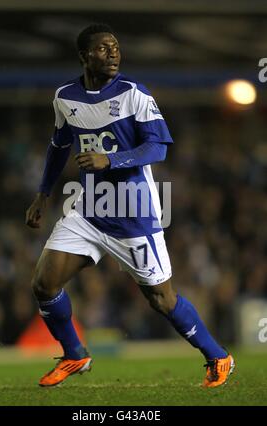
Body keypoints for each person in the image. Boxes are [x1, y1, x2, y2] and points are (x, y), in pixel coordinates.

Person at [26, 23, 235, 388]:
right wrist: (43, 194)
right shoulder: (65, 97)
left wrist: (111, 160)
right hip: (88, 210)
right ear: (84, 56)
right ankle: (75, 355)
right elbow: (59, 146)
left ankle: (219, 357)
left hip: (134, 212)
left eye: (116, 47)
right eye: (104, 48)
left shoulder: (134, 93)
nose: (113, 53)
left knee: (162, 300)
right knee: (44, 283)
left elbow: (158, 147)